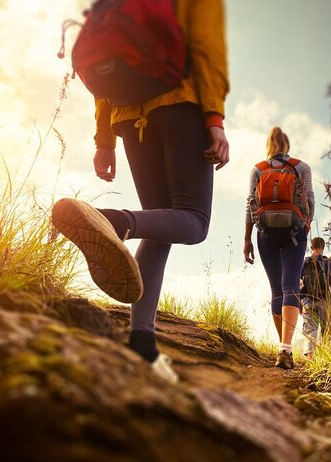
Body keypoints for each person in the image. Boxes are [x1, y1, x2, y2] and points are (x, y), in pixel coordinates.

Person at [51, 0, 229, 383]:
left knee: (159, 223)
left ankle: (143, 345)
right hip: (180, 105)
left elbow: (106, 71)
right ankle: (114, 222)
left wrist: (105, 140)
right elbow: (206, 48)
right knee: (193, 222)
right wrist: (214, 120)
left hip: (128, 117)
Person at [244, 127, 314, 370]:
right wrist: (306, 226)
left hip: (265, 234)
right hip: (294, 232)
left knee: (276, 290)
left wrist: (247, 239)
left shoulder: (258, 169)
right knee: (290, 287)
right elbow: (310, 199)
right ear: (287, 145)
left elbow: (250, 205)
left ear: (268, 145)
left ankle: (283, 348)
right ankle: (285, 347)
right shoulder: (301, 167)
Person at [300, 237, 331, 359]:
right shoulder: (327, 262)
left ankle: (311, 360)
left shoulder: (304, 262)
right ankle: (328, 360)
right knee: (328, 330)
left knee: (310, 330)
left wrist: (299, 303)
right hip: (325, 301)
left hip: (307, 301)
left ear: (311, 247)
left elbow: (298, 283)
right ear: (323, 247)